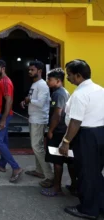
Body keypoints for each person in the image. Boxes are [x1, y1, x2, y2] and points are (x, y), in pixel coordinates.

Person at [60, 60, 104, 219]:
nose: (68, 78)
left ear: (78, 75)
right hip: (100, 133)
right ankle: (99, 205)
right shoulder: (100, 90)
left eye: (70, 75)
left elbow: (76, 121)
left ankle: (87, 209)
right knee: (96, 173)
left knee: (85, 173)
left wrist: (66, 142)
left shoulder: (80, 94)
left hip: (85, 136)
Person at [40, 68, 77, 197]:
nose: (47, 81)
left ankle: (57, 188)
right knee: (70, 160)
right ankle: (74, 186)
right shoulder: (62, 92)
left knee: (57, 161)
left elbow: (57, 113)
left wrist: (50, 130)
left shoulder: (58, 93)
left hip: (58, 131)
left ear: (58, 81)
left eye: (49, 79)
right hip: (64, 130)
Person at [0, 60, 23, 183]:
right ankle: (2, 165)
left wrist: (3, 120)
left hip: (2, 117)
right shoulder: (0, 81)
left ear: (3, 68)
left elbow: (9, 101)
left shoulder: (6, 82)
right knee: (3, 141)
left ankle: (16, 167)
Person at [21, 61, 53, 188]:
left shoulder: (43, 85)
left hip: (39, 120)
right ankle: (39, 171)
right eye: (29, 69)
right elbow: (34, 101)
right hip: (33, 118)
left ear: (40, 71)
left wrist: (29, 100)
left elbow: (40, 103)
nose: (30, 72)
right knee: (36, 146)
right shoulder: (35, 84)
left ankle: (49, 176)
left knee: (37, 147)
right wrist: (26, 102)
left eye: (32, 70)